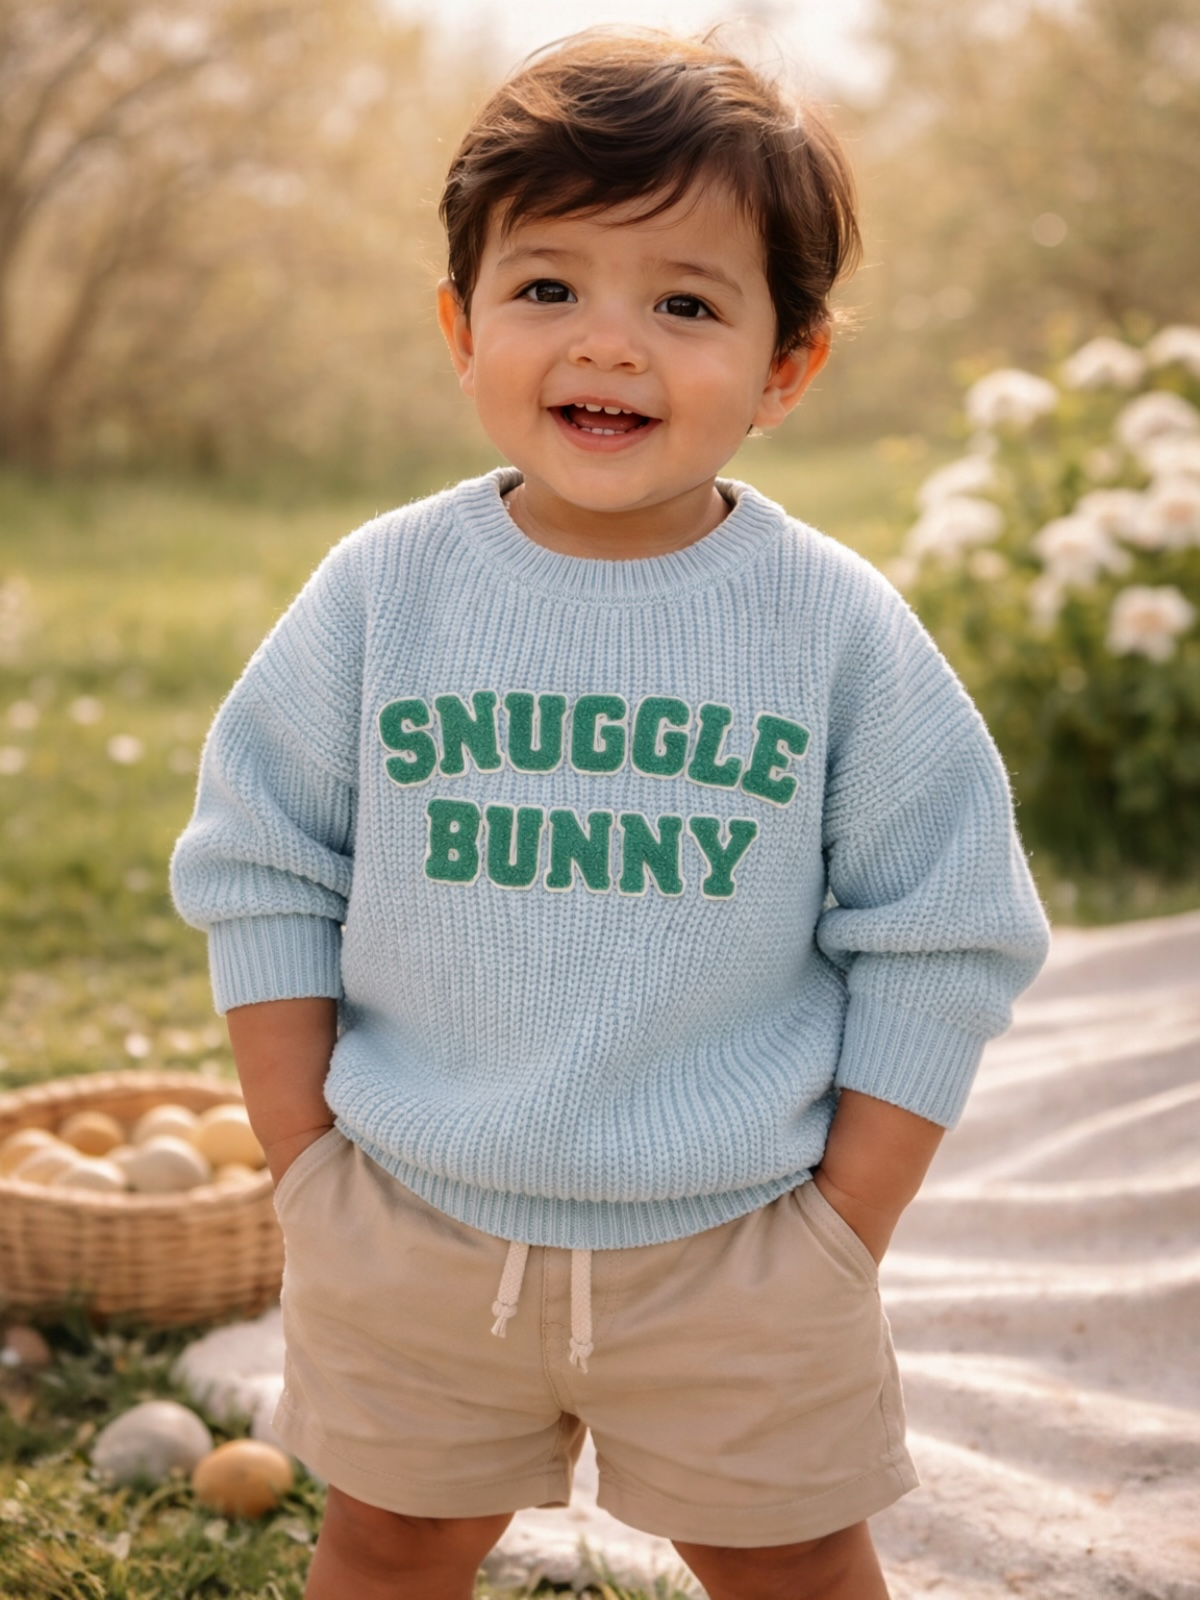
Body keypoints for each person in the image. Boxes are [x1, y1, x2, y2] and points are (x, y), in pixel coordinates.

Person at [171, 29, 1049, 1600]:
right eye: (548, 285)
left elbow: (945, 931)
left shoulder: (833, 629)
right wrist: (305, 1165)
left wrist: (842, 1226)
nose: (609, 343)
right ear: (462, 325)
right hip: (411, 1227)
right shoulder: (382, 596)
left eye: (686, 304)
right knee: (387, 1546)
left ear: (788, 366)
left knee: (798, 1568)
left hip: (739, 1248)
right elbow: (263, 864)